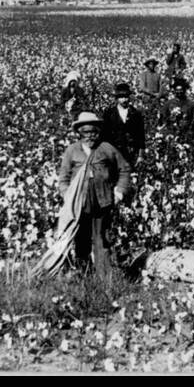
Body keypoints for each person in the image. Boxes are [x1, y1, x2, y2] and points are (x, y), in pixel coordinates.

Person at [57, 112, 134, 274]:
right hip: (80, 203)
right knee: (81, 240)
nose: (90, 136)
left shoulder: (106, 148)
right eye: (86, 132)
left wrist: (119, 191)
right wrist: (67, 195)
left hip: (103, 201)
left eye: (93, 131)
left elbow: (124, 169)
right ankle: (83, 275)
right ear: (79, 133)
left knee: (102, 240)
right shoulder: (72, 151)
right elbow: (63, 177)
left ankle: (104, 279)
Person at [101, 82, 147, 165]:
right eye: (121, 97)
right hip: (114, 153)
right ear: (117, 98)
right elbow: (104, 135)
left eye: (126, 97)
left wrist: (141, 156)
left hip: (131, 153)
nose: (124, 100)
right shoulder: (109, 113)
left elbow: (141, 135)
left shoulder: (136, 113)